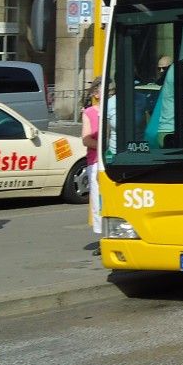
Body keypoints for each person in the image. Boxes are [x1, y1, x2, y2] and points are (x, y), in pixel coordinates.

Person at [81, 78, 103, 248]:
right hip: (96, 160)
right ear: (96, 94)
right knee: (97, 199)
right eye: (104, 90)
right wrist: (103, 148)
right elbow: (86, 140)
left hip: (113, 161)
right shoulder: (89, 112)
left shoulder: (115, 110)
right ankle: (102, 238)